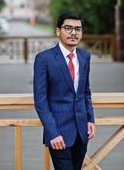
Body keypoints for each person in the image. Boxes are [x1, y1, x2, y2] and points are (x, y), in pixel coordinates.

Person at [33, 11, 96, 170]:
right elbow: (41, 101)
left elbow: (85, 91)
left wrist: (90, 119)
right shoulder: (44, 59)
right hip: (58, 134)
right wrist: (52, 132)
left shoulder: (84, 57)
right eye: (68, 28)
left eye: (78, 29)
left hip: (82, 133)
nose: (74, 32)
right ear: (58, 31)